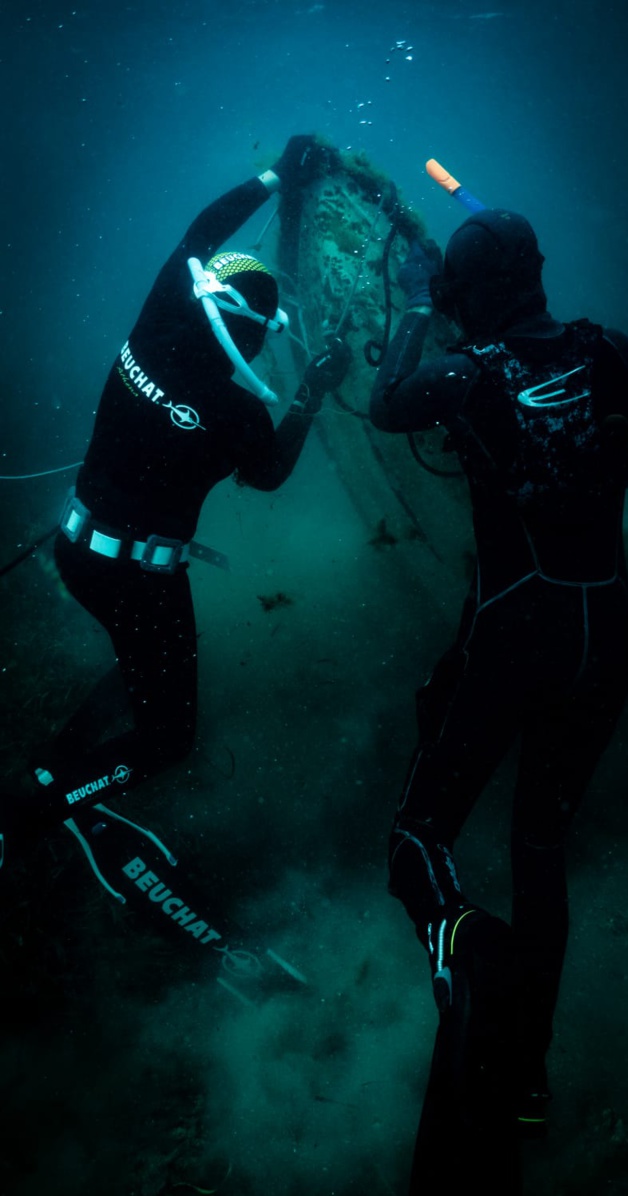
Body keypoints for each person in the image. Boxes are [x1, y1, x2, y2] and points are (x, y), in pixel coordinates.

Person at [369, 208, 628, 1186]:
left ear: (469, 290)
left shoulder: (466, 371)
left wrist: (417, 302)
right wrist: (601, 481)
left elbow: (384, 405)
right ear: (537, 273)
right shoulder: (609, 350)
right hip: (601, 638)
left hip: (516, 626)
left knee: (418, 837)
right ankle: (527, 1075)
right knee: (538, 850)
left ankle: (460, 942)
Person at [1, 135, 350, 981]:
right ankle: (39, 808)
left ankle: (57, 768)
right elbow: (267, 476)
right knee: (170, 734)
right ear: (261, 335)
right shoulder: (235, 415)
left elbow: (200, 229)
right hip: (139, 580)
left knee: (134, 664)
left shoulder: (160, 312)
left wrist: (273, 174)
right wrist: (314, 388)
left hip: (77, 551)